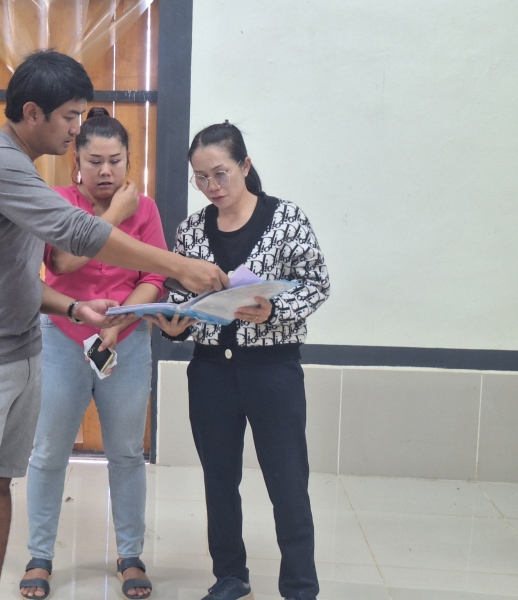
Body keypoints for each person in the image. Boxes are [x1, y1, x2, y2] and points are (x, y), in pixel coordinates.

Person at [0, 51, 227, 600]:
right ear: (33, 113)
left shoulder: (24, 170)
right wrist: (181, 266)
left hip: (19, 350)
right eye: (70, 117)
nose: (77, 128)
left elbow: (19, 279)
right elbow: (75, 237)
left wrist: (76, 309)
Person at [146, 122, 330, 600]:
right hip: (211, 371)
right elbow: (180, 296)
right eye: (201, 178)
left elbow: (317, 284)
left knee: (288, 481)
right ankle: (230, 575)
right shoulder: (191, 230)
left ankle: (300, 586)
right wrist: (174, 324)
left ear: (245, 165)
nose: (212, 186)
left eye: (221, 173)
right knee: (219, 479)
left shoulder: (286, 218)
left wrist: (274, 311)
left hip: (272, 370)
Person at [20, 107, 161, 600]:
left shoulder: (148, 209)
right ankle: (40, 555)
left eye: (115, 161)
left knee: (126, 453)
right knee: (48, 451)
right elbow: (60, 262)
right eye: (95, 161)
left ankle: (130, 555)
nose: (105, 171)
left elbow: (154, 277)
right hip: (62, 337)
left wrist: (120, 322)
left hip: (127, 340)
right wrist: (114, 215)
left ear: (129, 162)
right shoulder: (59, 202)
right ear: (75, 162)